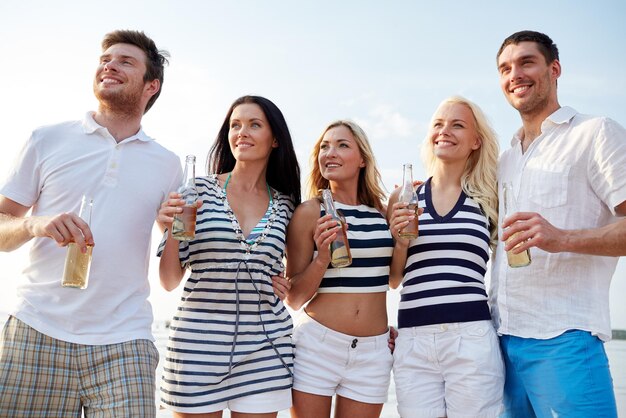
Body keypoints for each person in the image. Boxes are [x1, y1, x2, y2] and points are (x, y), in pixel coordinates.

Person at [0, 30, 181, 417]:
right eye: (105, 59)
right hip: (35, 329)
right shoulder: (45, 139)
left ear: (152, 86)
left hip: (125, 337)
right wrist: (36, 224)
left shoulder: (167, 163)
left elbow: (171, 256)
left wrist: (175, 228)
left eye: (125, 61)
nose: (109, 65)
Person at [492, 30, 625, 417]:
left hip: (565, 338)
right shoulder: (504, 158)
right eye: (505, 68)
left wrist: (561, 236)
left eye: (526, 62)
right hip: (500, 342)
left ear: (554, 69)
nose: (514, 74)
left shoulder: (596, 132)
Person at [156, 95, 301, 417]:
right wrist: (168, 229)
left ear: (275, 138)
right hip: (197, 346)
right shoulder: (196, 191)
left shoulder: (287, 205)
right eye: (235, 125)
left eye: (254, 125)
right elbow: (168, 280)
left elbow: (296, 274)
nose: (242, 132)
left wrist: (286, 283)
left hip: (266, 347)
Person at [387, 96, 503, 418]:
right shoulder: (404, 195)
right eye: (438, 124)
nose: (444, 131)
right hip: (413, 340)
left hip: (471, 338)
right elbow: (394, 279)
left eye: (457, 125)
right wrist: (399, 242)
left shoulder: (490, 197)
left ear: (476, 140)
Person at [277, 120, 394, 418]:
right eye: (325, 146)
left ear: (363, 159)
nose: (331, 152)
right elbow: (294, 298)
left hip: (373, 351)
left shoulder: (383, 214)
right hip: (318, 346)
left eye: (343, 145)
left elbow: (395, 278)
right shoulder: (309, 212)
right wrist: (322, 257)